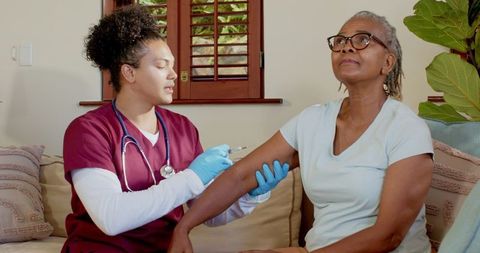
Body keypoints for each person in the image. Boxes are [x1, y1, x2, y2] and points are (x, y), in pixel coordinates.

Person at [168, 10, 434, 253]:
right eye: (340, 41)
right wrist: (184, 227)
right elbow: (241, 175)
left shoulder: (406, 129)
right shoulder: (312, 120)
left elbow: (388, 236)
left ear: (387, 63)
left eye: (363, 39)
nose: (347, 47)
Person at [61, 5, 288, 253]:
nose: (174, 75)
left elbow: (208, 213)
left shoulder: (182, 129)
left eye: (173, 66)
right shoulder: (88, 131)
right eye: (161, 66)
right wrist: (191, 177)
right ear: (129, 73)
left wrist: (249, 195)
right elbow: (110, 218)